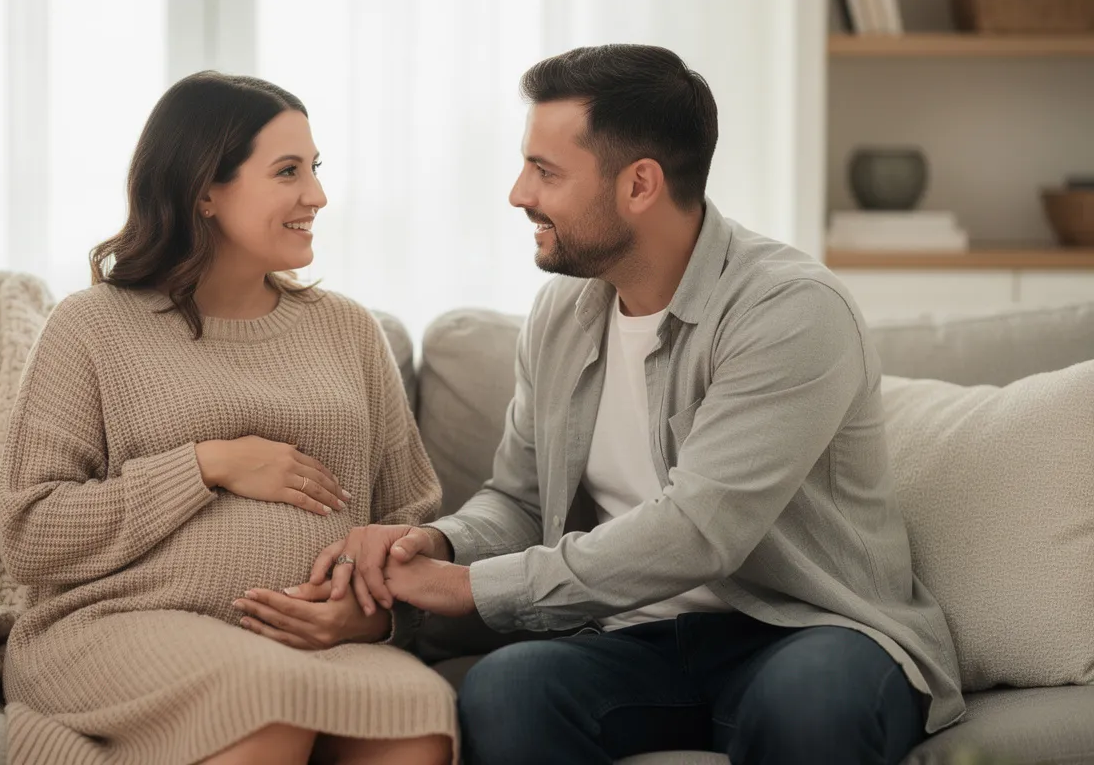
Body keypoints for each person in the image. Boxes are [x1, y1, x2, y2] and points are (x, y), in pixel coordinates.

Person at [285, 44, 966, 764]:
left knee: (810, 700)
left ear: (640, 184)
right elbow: (519, 500)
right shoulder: (560, 313)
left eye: (545, 171)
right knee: (507, 690)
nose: (518, 194)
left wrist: (470, 586)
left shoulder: (790, 309)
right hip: (635, 642)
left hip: (808, 632)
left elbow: (699, 531)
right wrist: (443, 545)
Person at [0, 71, 455, 765]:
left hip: (312, 643)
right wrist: (208, 465)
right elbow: (30, 531)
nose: (317, 195)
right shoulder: (91, 326)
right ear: (205, 190)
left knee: (417, 715)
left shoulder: (349, 330)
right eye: (288, 171)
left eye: (316, 168)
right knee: (265, 703)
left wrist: (371, 616)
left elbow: (409, 515)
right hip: (124, 623)